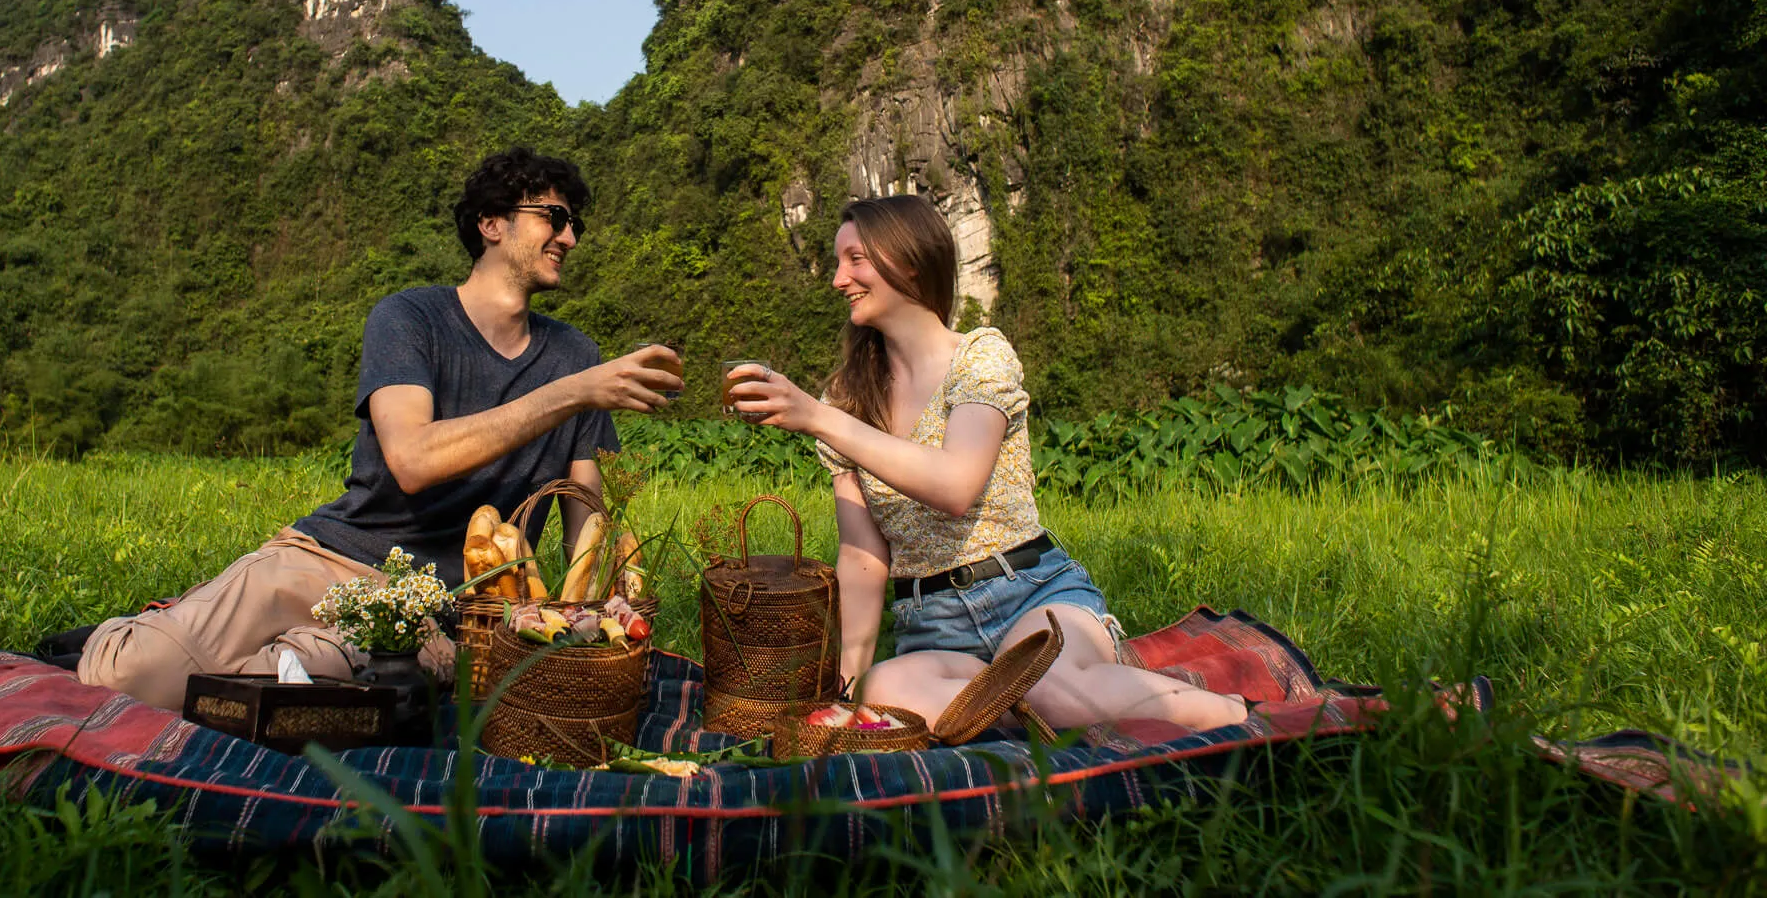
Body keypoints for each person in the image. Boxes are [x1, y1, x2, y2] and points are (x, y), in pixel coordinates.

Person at [76, 147, 682, 711]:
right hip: (328, 560)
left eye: (574, 223)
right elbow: (413, 460)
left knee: (307, 697)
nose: (569, 237)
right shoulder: (409, 318)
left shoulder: (575, 355)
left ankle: (269, 653)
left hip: (435, 616)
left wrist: (598, 615)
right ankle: (136, 635)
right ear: (491, 224)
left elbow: (585, 522)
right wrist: (572, 394)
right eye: (553, 217)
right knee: (126, 676)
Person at [724, 195, 1246, 734]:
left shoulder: (980, 356)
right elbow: (863, 556)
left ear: (907, 260)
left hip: (1030, 592)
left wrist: (817, 418)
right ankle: (1040, 712)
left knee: (1043, 685)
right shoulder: (847, 399)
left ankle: (1234, 714)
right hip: (931, 628)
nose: (838, 279)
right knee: (884, 692)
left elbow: (956, 484)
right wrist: (847, 688)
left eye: (854, 260)